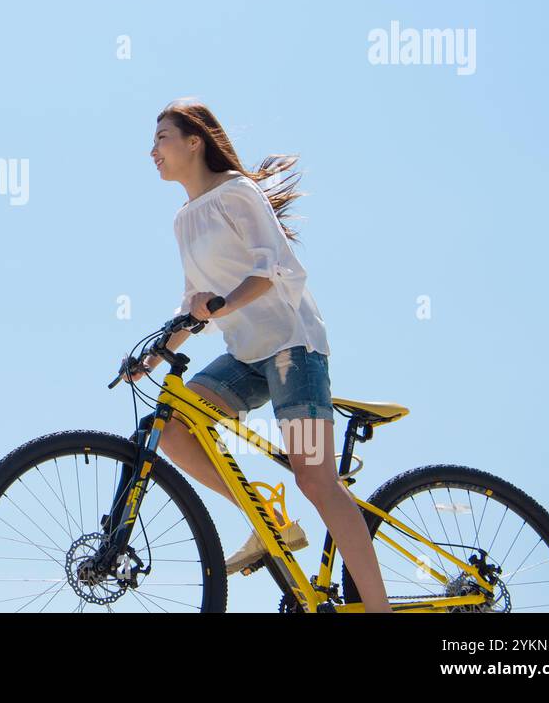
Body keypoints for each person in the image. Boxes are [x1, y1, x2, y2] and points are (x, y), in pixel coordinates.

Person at [127, 97, 392, 613]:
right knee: (175, 429)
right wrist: (153, 358)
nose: (151, 151)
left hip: (292, 345)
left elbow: (274, 268)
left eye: (161, 138)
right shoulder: (184, 221)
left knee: (315, 478)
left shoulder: (237, 193)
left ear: (194, 141)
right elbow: (193, 306)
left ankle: (378, 609)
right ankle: (267, 522)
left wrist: (221, 303)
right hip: (246, 355)